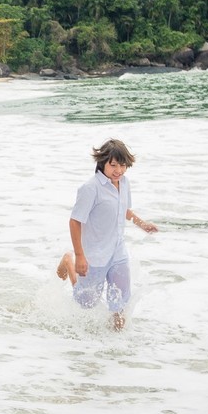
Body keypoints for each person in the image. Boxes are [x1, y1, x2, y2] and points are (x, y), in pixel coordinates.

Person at [56, 139, 158, 330]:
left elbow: (124, 209)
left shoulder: (124, 183)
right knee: (86, 303)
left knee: (120, 303)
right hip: (93, 254)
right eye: (113, 165)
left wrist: (142, 224)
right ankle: (68, 260)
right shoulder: (90, 188)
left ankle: (115, 347)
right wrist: (79, 256)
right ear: (102, 163)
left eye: (123, 165)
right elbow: (75, 221)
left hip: (117, 253)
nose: (118, 170)